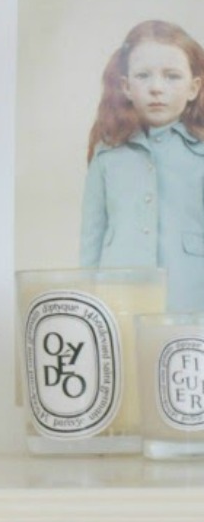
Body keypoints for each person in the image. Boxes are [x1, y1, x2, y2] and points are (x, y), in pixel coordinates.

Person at [80, 20, 204, 311]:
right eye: (143, 76)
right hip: (119, 297)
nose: (156, 88)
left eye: (172, 76)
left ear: (194, 88)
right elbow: (91, 236)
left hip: (190, 296)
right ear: (126, 87)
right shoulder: (107, 154)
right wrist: (87, 300)